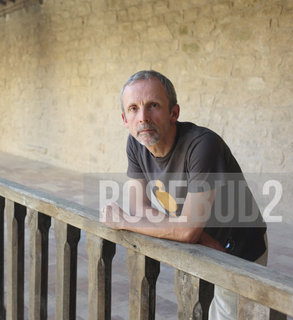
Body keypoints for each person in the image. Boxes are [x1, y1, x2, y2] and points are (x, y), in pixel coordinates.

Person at [101, 70, 267, 320]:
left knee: (231, 314)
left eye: (153, 105)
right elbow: (140, 208)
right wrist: (191, 233)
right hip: (202, 246)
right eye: (133, 109)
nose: (143, 117)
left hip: (237, 250)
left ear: (174, 113)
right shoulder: (136, 143)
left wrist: (123, 221)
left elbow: (182, 229)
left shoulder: (202, 145)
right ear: (125, 119)